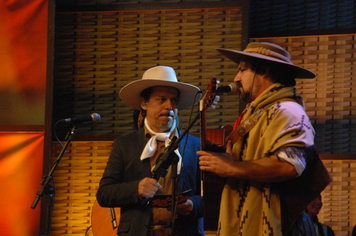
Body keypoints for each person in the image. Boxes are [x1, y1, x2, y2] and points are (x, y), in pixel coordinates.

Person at [197, 42, 333, 236]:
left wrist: (231, 168)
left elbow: (290, 165)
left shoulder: (288, 111)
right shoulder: (257, 113)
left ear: (265, 71)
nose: (236, 78)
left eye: (242, 70)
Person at [96, 65, 204, 236]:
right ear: (144, 103)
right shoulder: (125, 144)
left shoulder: (194, 145)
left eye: (174, 100)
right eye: (162, 99)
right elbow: (104, 194)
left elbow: (212, 199)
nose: (169, 106)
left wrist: (194, 205)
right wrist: (136, 189)